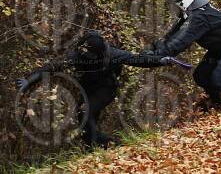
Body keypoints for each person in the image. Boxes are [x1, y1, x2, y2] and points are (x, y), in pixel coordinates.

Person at [16, 31, 174, 148]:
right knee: (85, 126)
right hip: (88, 89)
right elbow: (52, 66)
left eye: (91, 56)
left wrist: (160, 60)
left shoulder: (112, 54)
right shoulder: (78, 54)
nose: (87, 58)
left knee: (85, 114)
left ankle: (113, 145)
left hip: (106, 89)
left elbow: (138, 59)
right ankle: (100, 148)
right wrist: (29, 80)